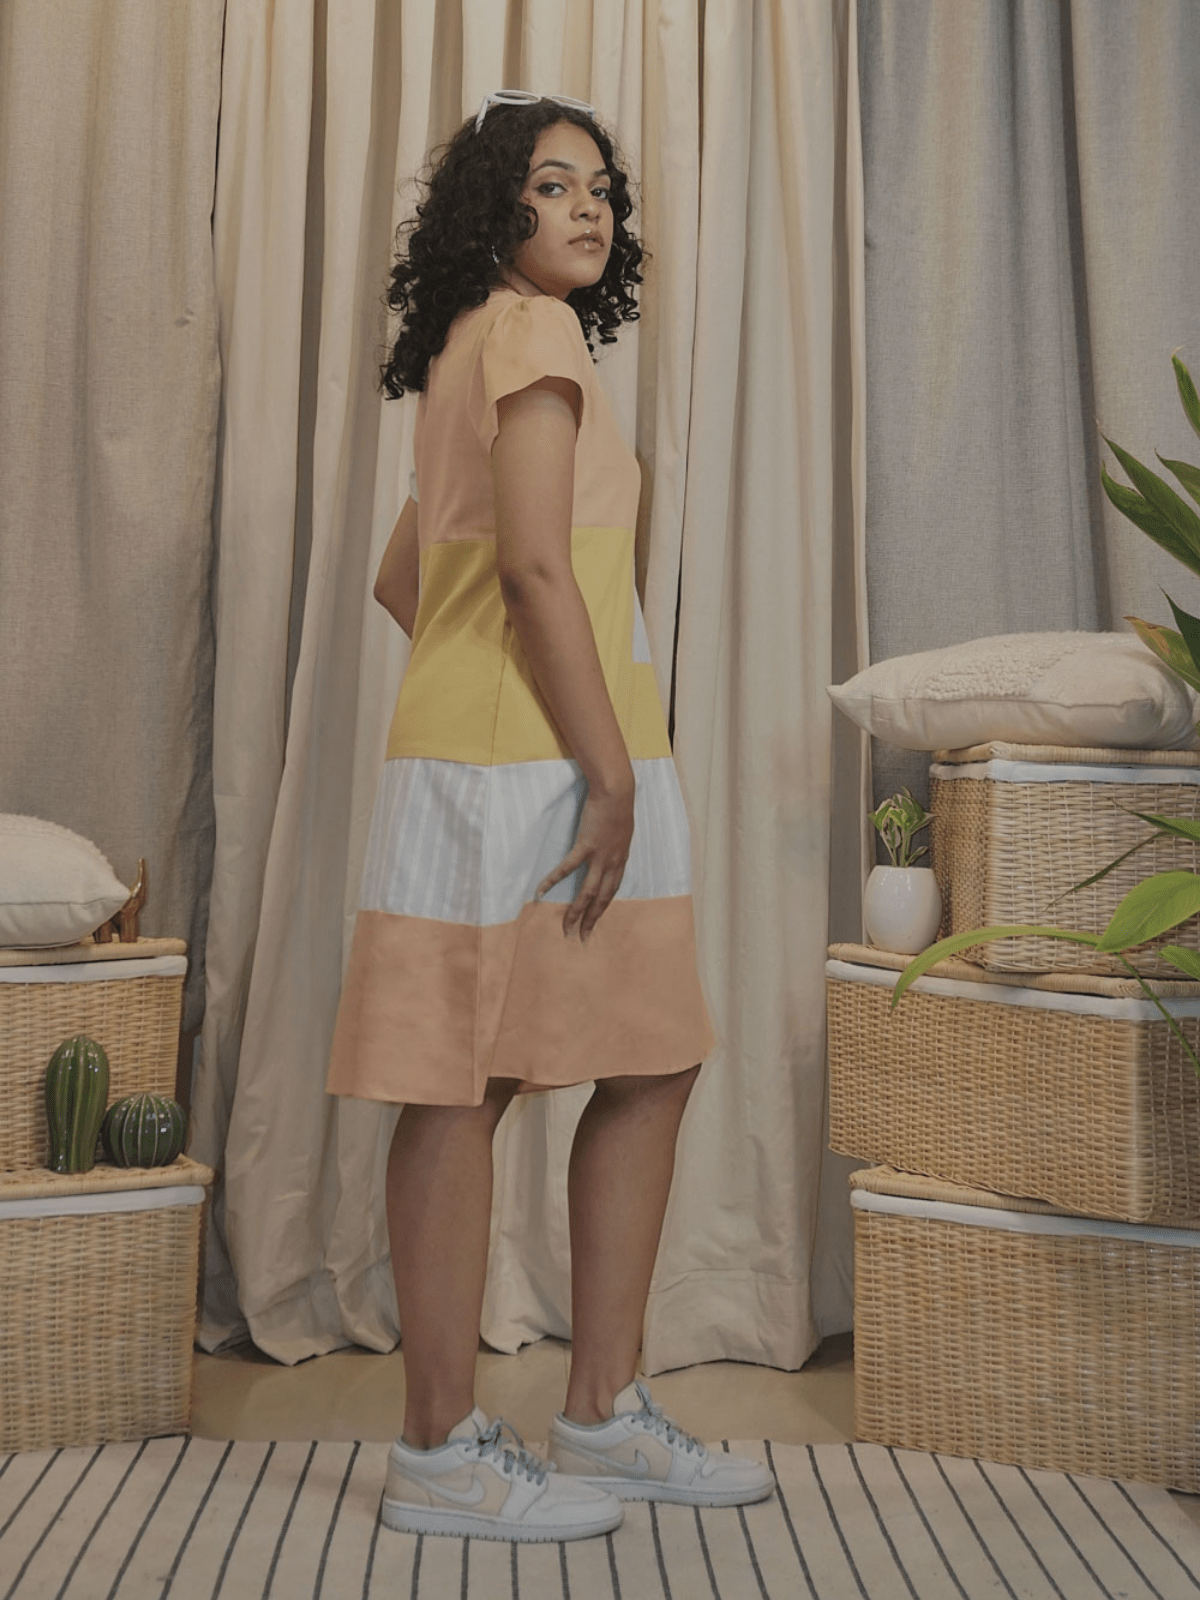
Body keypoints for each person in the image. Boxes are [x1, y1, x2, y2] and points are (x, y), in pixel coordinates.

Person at [327, 89, 774, 1544]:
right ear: (493, 208)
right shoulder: (528, 335)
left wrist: (545, 721)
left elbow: (413, 576)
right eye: (554, 184)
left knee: (645, 1053)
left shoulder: (484, 339)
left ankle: (599, 1410)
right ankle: (441, 1452)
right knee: (469, 1084)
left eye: (601, 188)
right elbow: (526, 569)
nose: (589, 207)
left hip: (537, 749)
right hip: (546, 767)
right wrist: (606, 768)